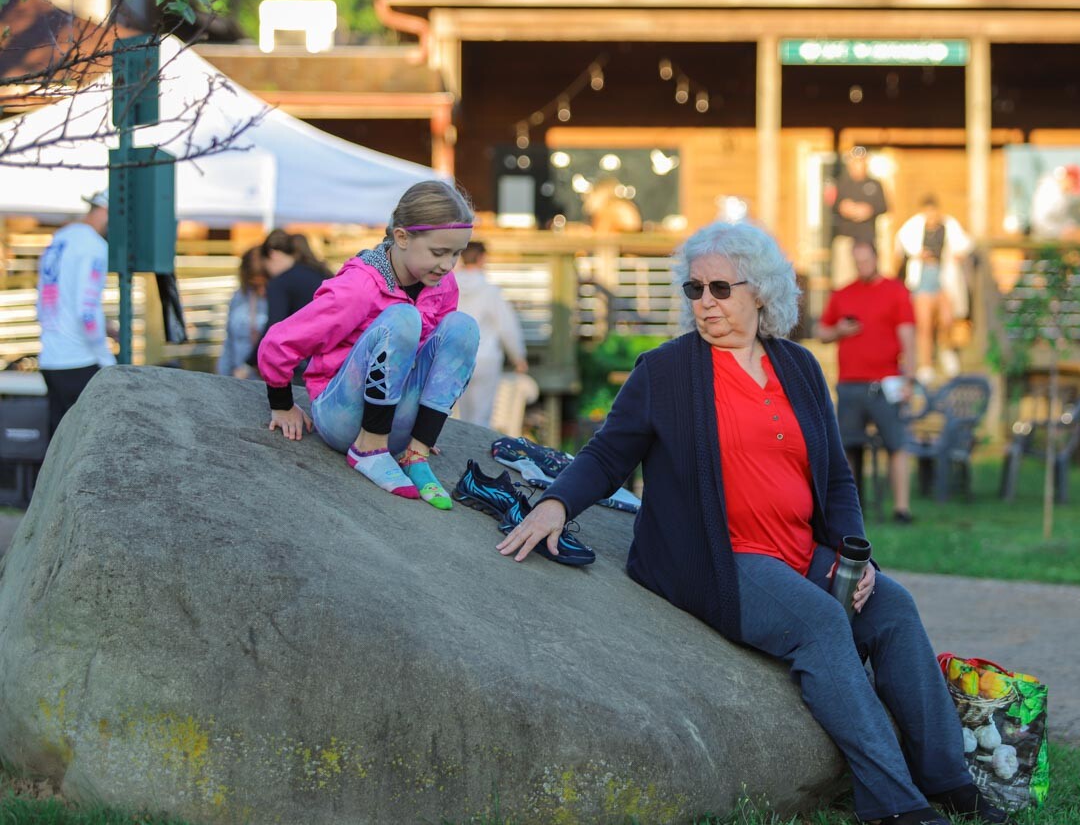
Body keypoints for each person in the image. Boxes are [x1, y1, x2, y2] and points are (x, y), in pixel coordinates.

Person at [498, 222, 1010, 825]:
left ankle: (948, 779)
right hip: (716, 558)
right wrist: (556, 504)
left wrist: (857, 556)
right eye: (694, 289)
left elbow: (836, 478)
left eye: (720, 288)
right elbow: (609, 454)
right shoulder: (664, 371)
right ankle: (895, 807)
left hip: (796, 550)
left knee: (893, 605)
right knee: (821, 623)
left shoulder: (799, 367)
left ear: (760, 292)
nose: (705, 302)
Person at [256, 180, 479, 509]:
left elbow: (440, 361)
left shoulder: (443, 284)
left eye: (456, 253)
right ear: (402, 237)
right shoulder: (359, 286)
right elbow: (280, 342)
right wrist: (282, 404)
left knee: (464, 327)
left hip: (398, 422)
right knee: (403, 318)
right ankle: (368, 449)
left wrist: (421, 424)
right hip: (343, 417)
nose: (447, 264)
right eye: (438, 252)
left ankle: (415, 454)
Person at [816, 241, 917, 524]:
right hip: (850, 383)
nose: (862, 266)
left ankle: (901, 509)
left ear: (876, 258)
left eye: (866, 260)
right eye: (857, 261)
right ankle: (851, 508)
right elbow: (821, 332)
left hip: (887, 382)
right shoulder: (843, 293)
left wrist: (909, 378)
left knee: (896, 443)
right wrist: (839, 330)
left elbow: (908, 336)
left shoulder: (895, 291)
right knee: (848, 447)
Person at [36, 190, 116, 436]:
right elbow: (86, 311)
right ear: (106, 212)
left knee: (57, 444)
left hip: (51, 357)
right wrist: (105, 358)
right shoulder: (93, 246)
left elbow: (50, 300)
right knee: (87, 443)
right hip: (78, 360)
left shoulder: (60, 238)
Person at [453, 241, 528, 428]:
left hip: (455, 357)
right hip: (486, 357)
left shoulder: (451, 287)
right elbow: (507, 326)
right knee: (481, 416)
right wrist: (518, 356)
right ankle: (475, 447)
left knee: (456, 415)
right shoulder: (490, 290)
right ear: (481, 259)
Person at [896, 195, 972, 382]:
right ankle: (926, 364)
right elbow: (902, 244)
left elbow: (964, 244)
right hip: (923, 279)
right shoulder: (914, 226)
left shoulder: (948, 226)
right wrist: (918, 254)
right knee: (925, 325)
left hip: (943, 277)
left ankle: (947, 352)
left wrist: (959, 254)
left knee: (947, 319)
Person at [247, 229, 332, 379]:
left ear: (272, 254)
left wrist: (251, 361)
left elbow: (274, 326)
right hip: (332, 358)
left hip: (302, 366)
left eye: (266, 264)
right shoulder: (321, 273)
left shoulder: (280, 283)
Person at [827, 146, 889, 286]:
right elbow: (834, 206)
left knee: (868, 280)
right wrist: (846, 208)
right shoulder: (841, 184)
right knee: (843, 281)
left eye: (861, 161)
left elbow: (883, 207)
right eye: (855, 161)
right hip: (846, 239)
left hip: (867, 240)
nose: (858, 165)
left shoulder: (875, 184)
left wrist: (868, 210)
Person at [217, 245, 270, 379]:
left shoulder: (280, 299)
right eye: (255, 284)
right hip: (239, 376)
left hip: (268, 378)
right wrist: (223, 375)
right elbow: (229, 339)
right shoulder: (240, 297)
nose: (262, 290)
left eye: (265, 283)